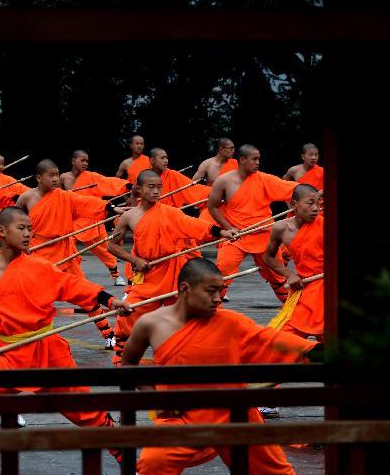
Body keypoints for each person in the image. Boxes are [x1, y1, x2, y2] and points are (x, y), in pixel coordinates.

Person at [0, 207, 130, 475]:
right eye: (21, 228)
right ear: (2, 231)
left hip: (47, 348)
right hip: (7, 352)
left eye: (30, 228)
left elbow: (73, 286)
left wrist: (109, 300)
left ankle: (126, 459)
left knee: (85, 409)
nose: (28, 233)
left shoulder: (41, 266)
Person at [122, 258, 317, 475]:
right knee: (152, 466)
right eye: (211, 291)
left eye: (221, 292)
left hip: (234, 414)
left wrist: (317, 352)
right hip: (180, 416)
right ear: (185, 289)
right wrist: (154, 396)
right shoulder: (151, 323)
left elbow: (270, 341)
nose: (218, 299)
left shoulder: (230, 322)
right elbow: (128, 364)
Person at [108, 169, 238, 364]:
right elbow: (111, 246)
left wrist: (221, 232)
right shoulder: (129, 217)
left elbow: (191, 224)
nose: (156, 191)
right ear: (138, 190)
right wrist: (135, 260)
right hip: (148, 273)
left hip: (173, 271)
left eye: (159, 187)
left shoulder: (170, 212)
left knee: (183, 316)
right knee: (129, 313)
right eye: (150, 187)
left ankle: (184, 356)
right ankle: (122, 358)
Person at [16, 159, 123, 348]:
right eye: (51, 175)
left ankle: (108, 334)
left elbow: (86, 202)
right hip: (37, 254)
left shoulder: (63, 196)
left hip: (65, 252)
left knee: (86, 294)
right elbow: (14, 223)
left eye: (57, 174)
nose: (56, 179)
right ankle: (29, 339)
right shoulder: (26, 198)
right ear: (39, 178)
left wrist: (111, 208)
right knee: (33, 300)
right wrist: (20, 244)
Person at [208, 144, 298, 300]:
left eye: (259, 159)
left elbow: (291, 188)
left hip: (263, 234)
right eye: (254, 159)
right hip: (236, 236)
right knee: (221, 272)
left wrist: (317, 191)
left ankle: (292, 311)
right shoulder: (224, 181)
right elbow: (213, 207)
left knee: (277, 275)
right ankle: (211, 312)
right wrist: (229, 228)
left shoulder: (264, 179)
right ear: (242, 160)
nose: (258, 163)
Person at [60, 149, 130, 286]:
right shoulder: (63, 178)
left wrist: (127, 186)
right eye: (82, 160)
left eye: (87, 161)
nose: (85, 163)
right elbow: (57, 196)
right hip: (72, 220)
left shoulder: (92, 177)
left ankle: (116, 275)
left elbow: (108, 182)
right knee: (65, 245)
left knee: (103, 248)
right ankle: (67, 276)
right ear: (73, 161)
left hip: (92, 216)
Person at [265, 184, 324, 340]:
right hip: (304, 287)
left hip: (328, 288)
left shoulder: (327, 224)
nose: (316, 208)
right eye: (310, 203)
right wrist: (289, 274)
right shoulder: (281, 228)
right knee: (281, 340)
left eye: (318, 203)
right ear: (293, 204)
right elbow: (269, 257)